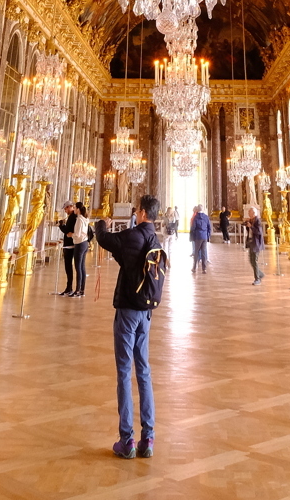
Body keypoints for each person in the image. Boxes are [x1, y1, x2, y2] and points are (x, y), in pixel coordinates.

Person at [95, 195, 162, 460]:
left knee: (124, 372)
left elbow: (105, 240)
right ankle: (149, 437)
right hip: (146, 313)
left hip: (128, 312)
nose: (135, 212)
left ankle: (127, 440)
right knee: (143, 371)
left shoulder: (134, 235)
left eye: (137, 209)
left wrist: (102, 223)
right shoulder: (154, 239)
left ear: (143, 213)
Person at [57, 201, 77, 297]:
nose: (65, 211)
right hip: (70, 244)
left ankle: (69, 287)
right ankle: (69, 287)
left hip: (70, 245)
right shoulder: (72, 216)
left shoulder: (72, 217)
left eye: (66, 209)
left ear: (70, 207)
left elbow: (67, 231)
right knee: (68, 267)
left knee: (68, 267)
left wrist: (61, 225)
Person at [72, 201, 92, 297]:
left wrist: (71, 235)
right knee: (82, 267)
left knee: (78, 267)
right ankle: (82, 290)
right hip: (85, 243)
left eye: (75, 208)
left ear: (78, 209)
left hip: (79, 244)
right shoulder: (85, 219)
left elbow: (77, 234)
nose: (74, 210)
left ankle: (77, 290)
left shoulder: (79, 220)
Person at [244, 205, 264, 284]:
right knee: (251, 261)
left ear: (254, 213)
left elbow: (259, 232)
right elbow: (248, 229)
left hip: (256, 243)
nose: (248, 213)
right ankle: (260, 274)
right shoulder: (251, 220)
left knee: (254, 261)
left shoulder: (257, 221)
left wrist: (251, 226)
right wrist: (247, 224)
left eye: (249, 212)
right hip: (251, 242)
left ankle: (257, 279)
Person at [189, 204, 211, 274]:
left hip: (198, 236)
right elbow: (209, 227)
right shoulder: (206, 217)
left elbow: (193, 228)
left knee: (196, 252)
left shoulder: (195, 217)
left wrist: (192, 236)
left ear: (197, 210)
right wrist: (208, 236)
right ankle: (204, 269)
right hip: (204, 236)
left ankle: (194, 267)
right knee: (204, 252)